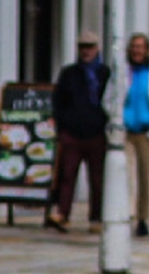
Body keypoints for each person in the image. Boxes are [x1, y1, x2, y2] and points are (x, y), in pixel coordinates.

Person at [47, 31, 111, 231]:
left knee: (97, 179)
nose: (86, 51)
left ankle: (96, 219)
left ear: (97, 49)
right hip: (72, 134)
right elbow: (58, 101)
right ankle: (63, 214)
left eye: (90, 47)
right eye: (83, 47)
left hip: (97, 133)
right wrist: (63, 126)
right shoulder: (69, 73)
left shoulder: (105, 73)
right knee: (67, 175)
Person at [106, 33, 149, 236]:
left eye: (141, 47)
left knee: (145, 177)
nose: (137, 50)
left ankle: (143, 217)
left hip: (148, 131)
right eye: (134, 46)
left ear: (147, 49)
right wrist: (117, 117)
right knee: (126, 174)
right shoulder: (122, 71)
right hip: (125, 130)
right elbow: (108, 98)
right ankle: (127, 212)